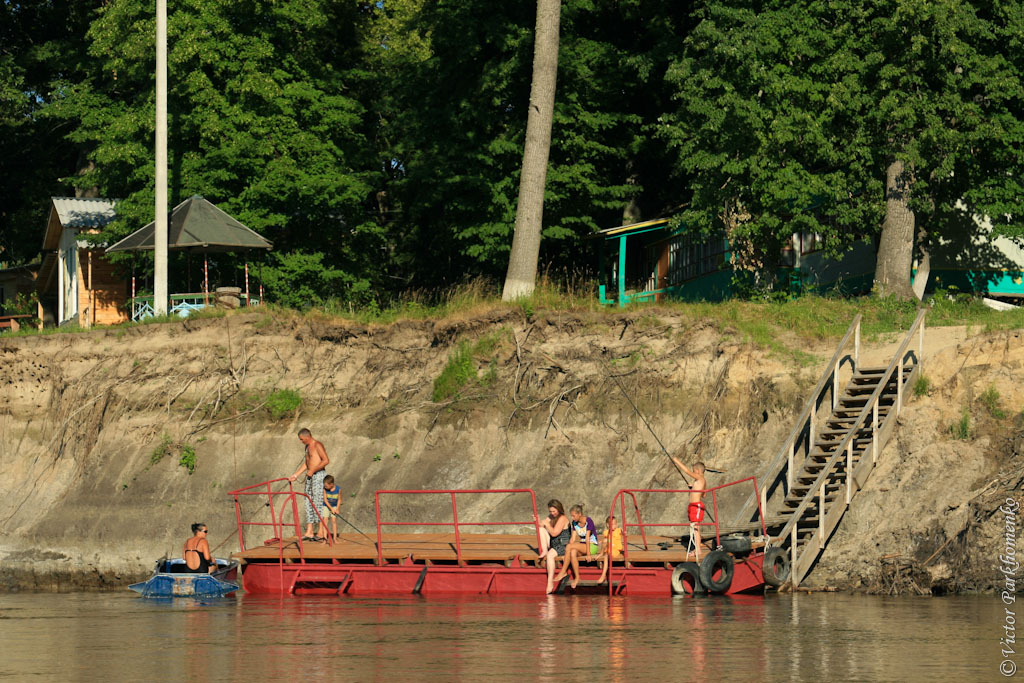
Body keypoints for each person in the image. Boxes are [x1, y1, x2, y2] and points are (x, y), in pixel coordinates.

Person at [288, 428, 330, 542]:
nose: (301, 441)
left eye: (302, 439)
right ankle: (309, 531)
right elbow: (307, 463)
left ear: (307, 437)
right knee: (308, 501)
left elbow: (326, 460)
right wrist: (296, 475)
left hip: (319, 475)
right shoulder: (307, 447)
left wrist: (313, 470)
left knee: (318, 502)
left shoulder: (317, 445)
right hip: (310, 476)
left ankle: (321, 532)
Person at [670, 451, 708, 559]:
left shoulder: (700, 478)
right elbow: (704, 495)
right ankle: (697, 548)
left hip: (696, 506)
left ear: (698, 470)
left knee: (695, 527)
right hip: (693, 506)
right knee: (695, 527)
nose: (693, 472)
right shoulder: (701, 481)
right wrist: (693, 487)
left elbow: (686, 471)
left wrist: (676, 461)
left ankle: (698, 550)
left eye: (694, 470)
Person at [554, 504, 599, 589]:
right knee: (572, 551)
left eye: (573, 516)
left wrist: (588, 554)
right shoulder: (574, 523)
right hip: (582, 546)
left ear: (579, 514)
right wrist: (567, 553)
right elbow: (573, 538)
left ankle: (563, 572)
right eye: (571, 516)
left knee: (569, 547)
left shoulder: (588, 521)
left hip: (592, 546)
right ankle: (577, 578)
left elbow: (587, 538)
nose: (572, 518)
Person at [537, 499, 570, 594]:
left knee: (550, 556)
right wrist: (537, 520)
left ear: (558, 509)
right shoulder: (551, 516)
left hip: (563, 544)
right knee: (540, 529)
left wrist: (547, 524)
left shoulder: (562, 518)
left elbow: (555, 533)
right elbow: (542, 525)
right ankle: (544, 550)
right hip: (554, 543)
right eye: (550, 511)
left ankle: (550, 582)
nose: (552, 513)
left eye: (554, 511)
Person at [596, 515, 624, 585]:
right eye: (613, 524)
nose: (615, 526)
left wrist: (624, 533)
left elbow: (624, 533)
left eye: (615, 524)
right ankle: (601, 553)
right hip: (609, 547)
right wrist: (601, 542)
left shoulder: (618, 530)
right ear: (608, 525)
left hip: (615, 549)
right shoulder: (606, 532)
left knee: (606, 556)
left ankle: (603, 575)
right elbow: (606, 540)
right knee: (605, 540)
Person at [319, 475, 341, 542]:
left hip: (334, 505)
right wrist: (331, 508)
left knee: (334, 521)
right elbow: (325, 500)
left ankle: (335, 538)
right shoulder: (324, 489)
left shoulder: (338, 489)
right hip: (326, 505)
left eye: (326, 486)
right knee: (325, 520)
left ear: (331, 484)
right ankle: (325, 538)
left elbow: (339, 499)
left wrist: (337, 509)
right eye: (324, 486)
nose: (325, 487)